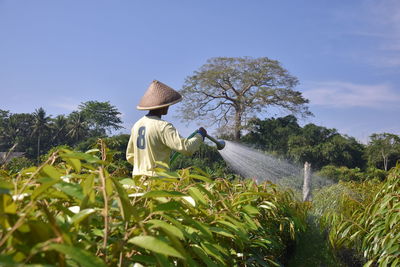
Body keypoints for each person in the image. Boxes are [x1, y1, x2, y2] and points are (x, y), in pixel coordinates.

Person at [126, 80, 207, 176]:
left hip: (138, 178)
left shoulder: (137, 125)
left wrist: (144, 167)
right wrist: (200, 136)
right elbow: (187, 148)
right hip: (156, 180)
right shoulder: (163, 126)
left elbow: (130, 156)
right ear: (163, 107)